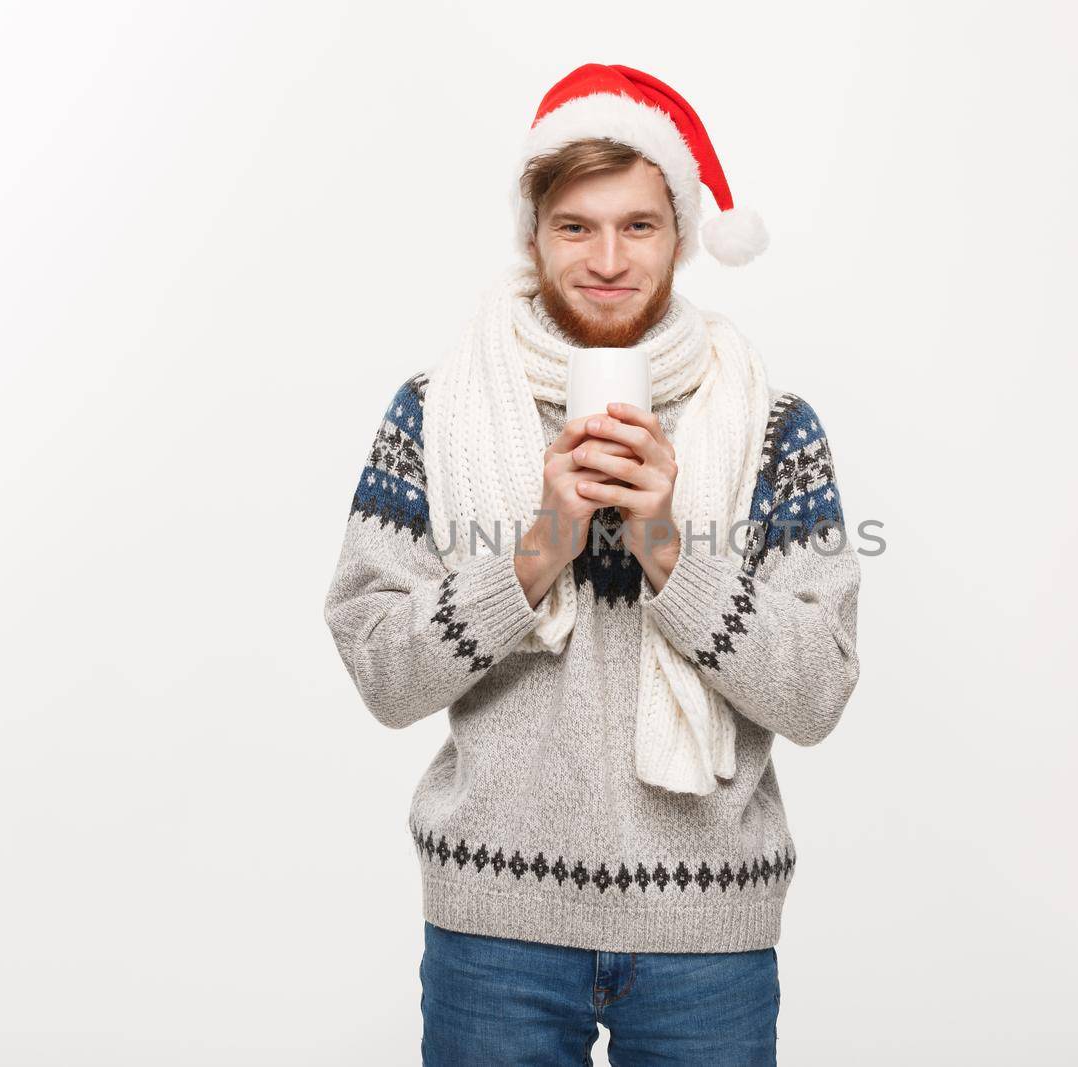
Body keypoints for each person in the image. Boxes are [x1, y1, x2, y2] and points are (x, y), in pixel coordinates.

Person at [322, 62, 862, 1065]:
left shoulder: (770, 427)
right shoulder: (440, 413)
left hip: (709, 935)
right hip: (496, 924)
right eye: (576, 225)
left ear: (681, 236)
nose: (608, 258)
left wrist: (666, 546)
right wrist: (536, 551)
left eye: (638, 225)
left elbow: (819, 688)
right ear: (531, 235)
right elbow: (381, 671)